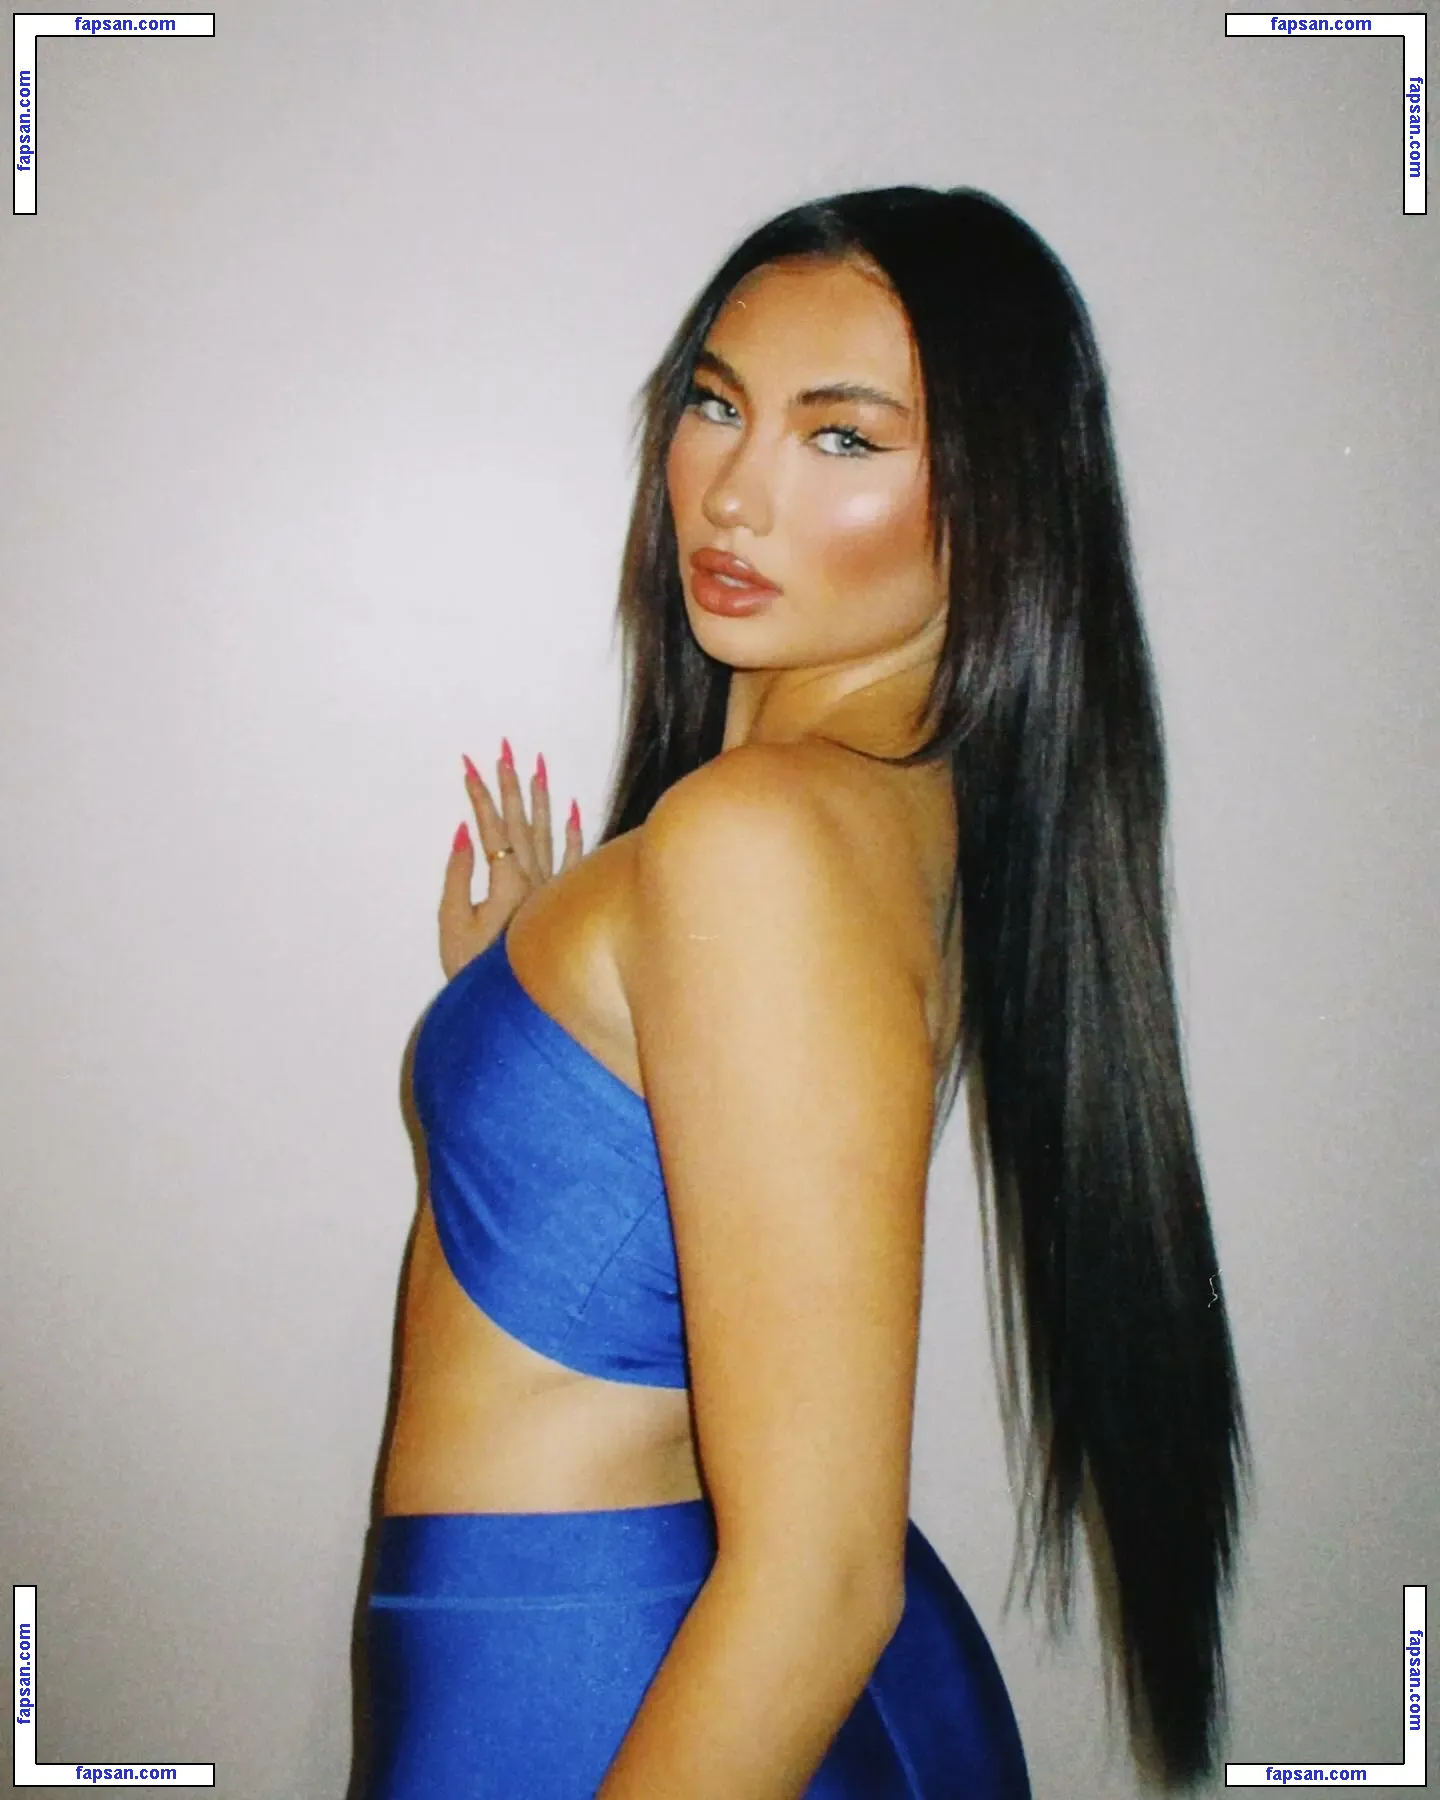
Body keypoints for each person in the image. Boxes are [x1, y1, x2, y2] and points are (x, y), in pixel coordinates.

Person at [356, 185, 1248, 1799]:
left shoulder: (759, 839)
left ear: (1005, 498)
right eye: (717, 404)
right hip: (635, 1636)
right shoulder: (874, 807)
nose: (733, 492)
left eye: (843, 437)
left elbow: (824, 1584)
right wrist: (528, 1006)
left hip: (593, 1676)